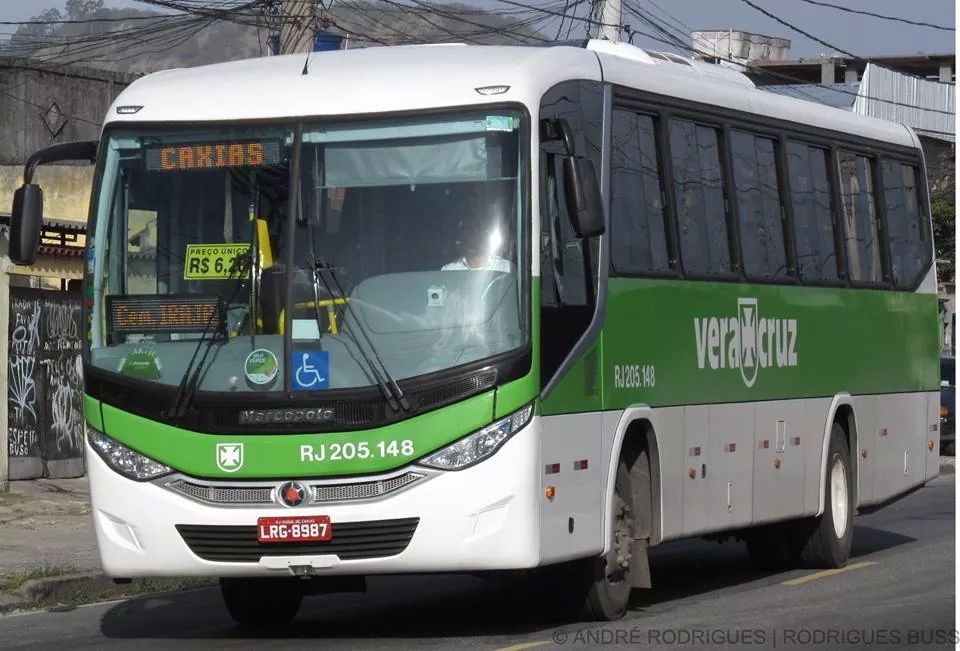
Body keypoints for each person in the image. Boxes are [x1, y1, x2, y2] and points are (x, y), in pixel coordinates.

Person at [441, 216, 513, 272]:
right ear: (460, 235)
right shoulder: (449, 270)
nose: (471, 234)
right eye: (466, 229)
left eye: (475, 229)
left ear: (483, 233)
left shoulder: (505, 268)